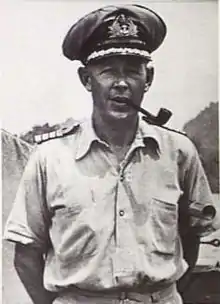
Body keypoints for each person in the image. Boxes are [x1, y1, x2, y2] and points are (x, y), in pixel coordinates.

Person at [4, 4, 220, 304]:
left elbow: (192, 235)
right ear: (86, 79)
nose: (121, 83)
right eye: (108, 72)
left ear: (149, 78)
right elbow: (26, 254)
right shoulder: (49, 158)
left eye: (133, 71)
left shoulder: (179, 153)